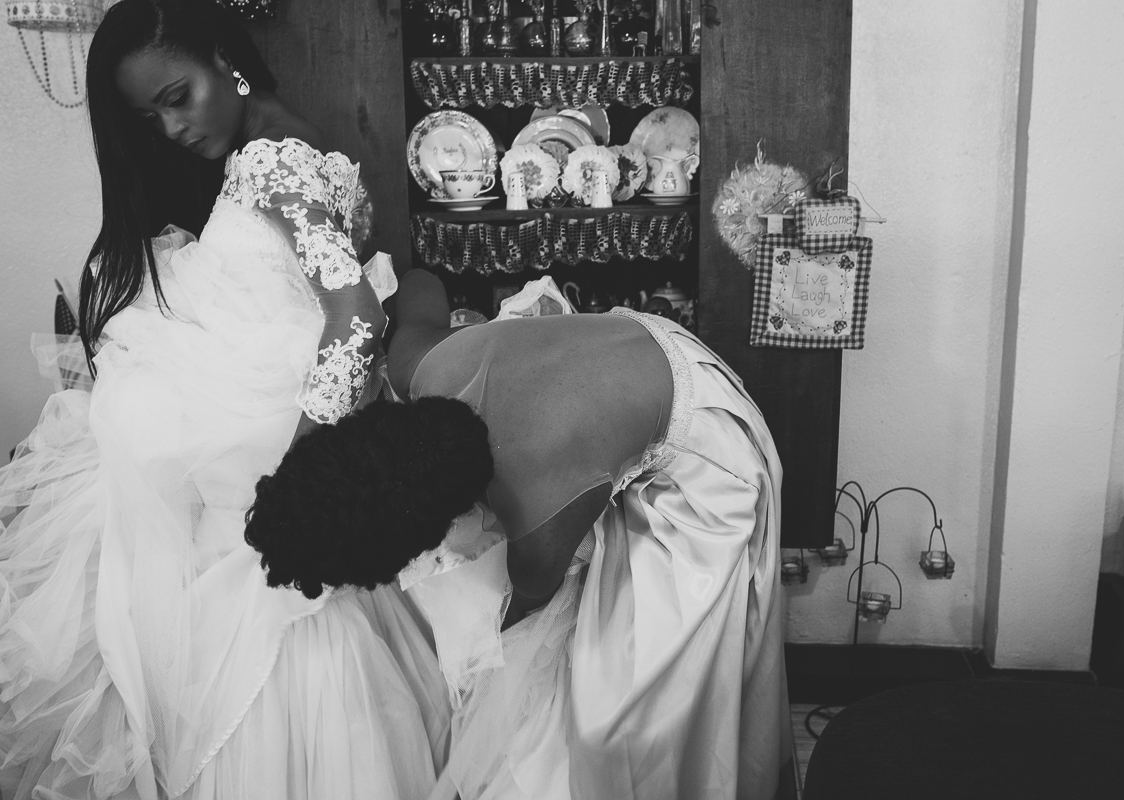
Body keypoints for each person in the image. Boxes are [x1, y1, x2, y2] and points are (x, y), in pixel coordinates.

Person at [0, 2, 450, 798]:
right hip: (248, 421)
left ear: (222, 58)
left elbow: (356, 318)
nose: (172, 128)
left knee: (258, 647)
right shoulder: (288, 147)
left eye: (177, 97)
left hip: (263, 438)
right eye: (152, 117)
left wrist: (302, 472)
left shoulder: (272, 159)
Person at [244, 268, 793, 799]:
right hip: (625, 361)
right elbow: (419, 283)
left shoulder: (537, 515)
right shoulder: (421, 366)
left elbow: (527, 605)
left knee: (623, 714)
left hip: (698, 440)